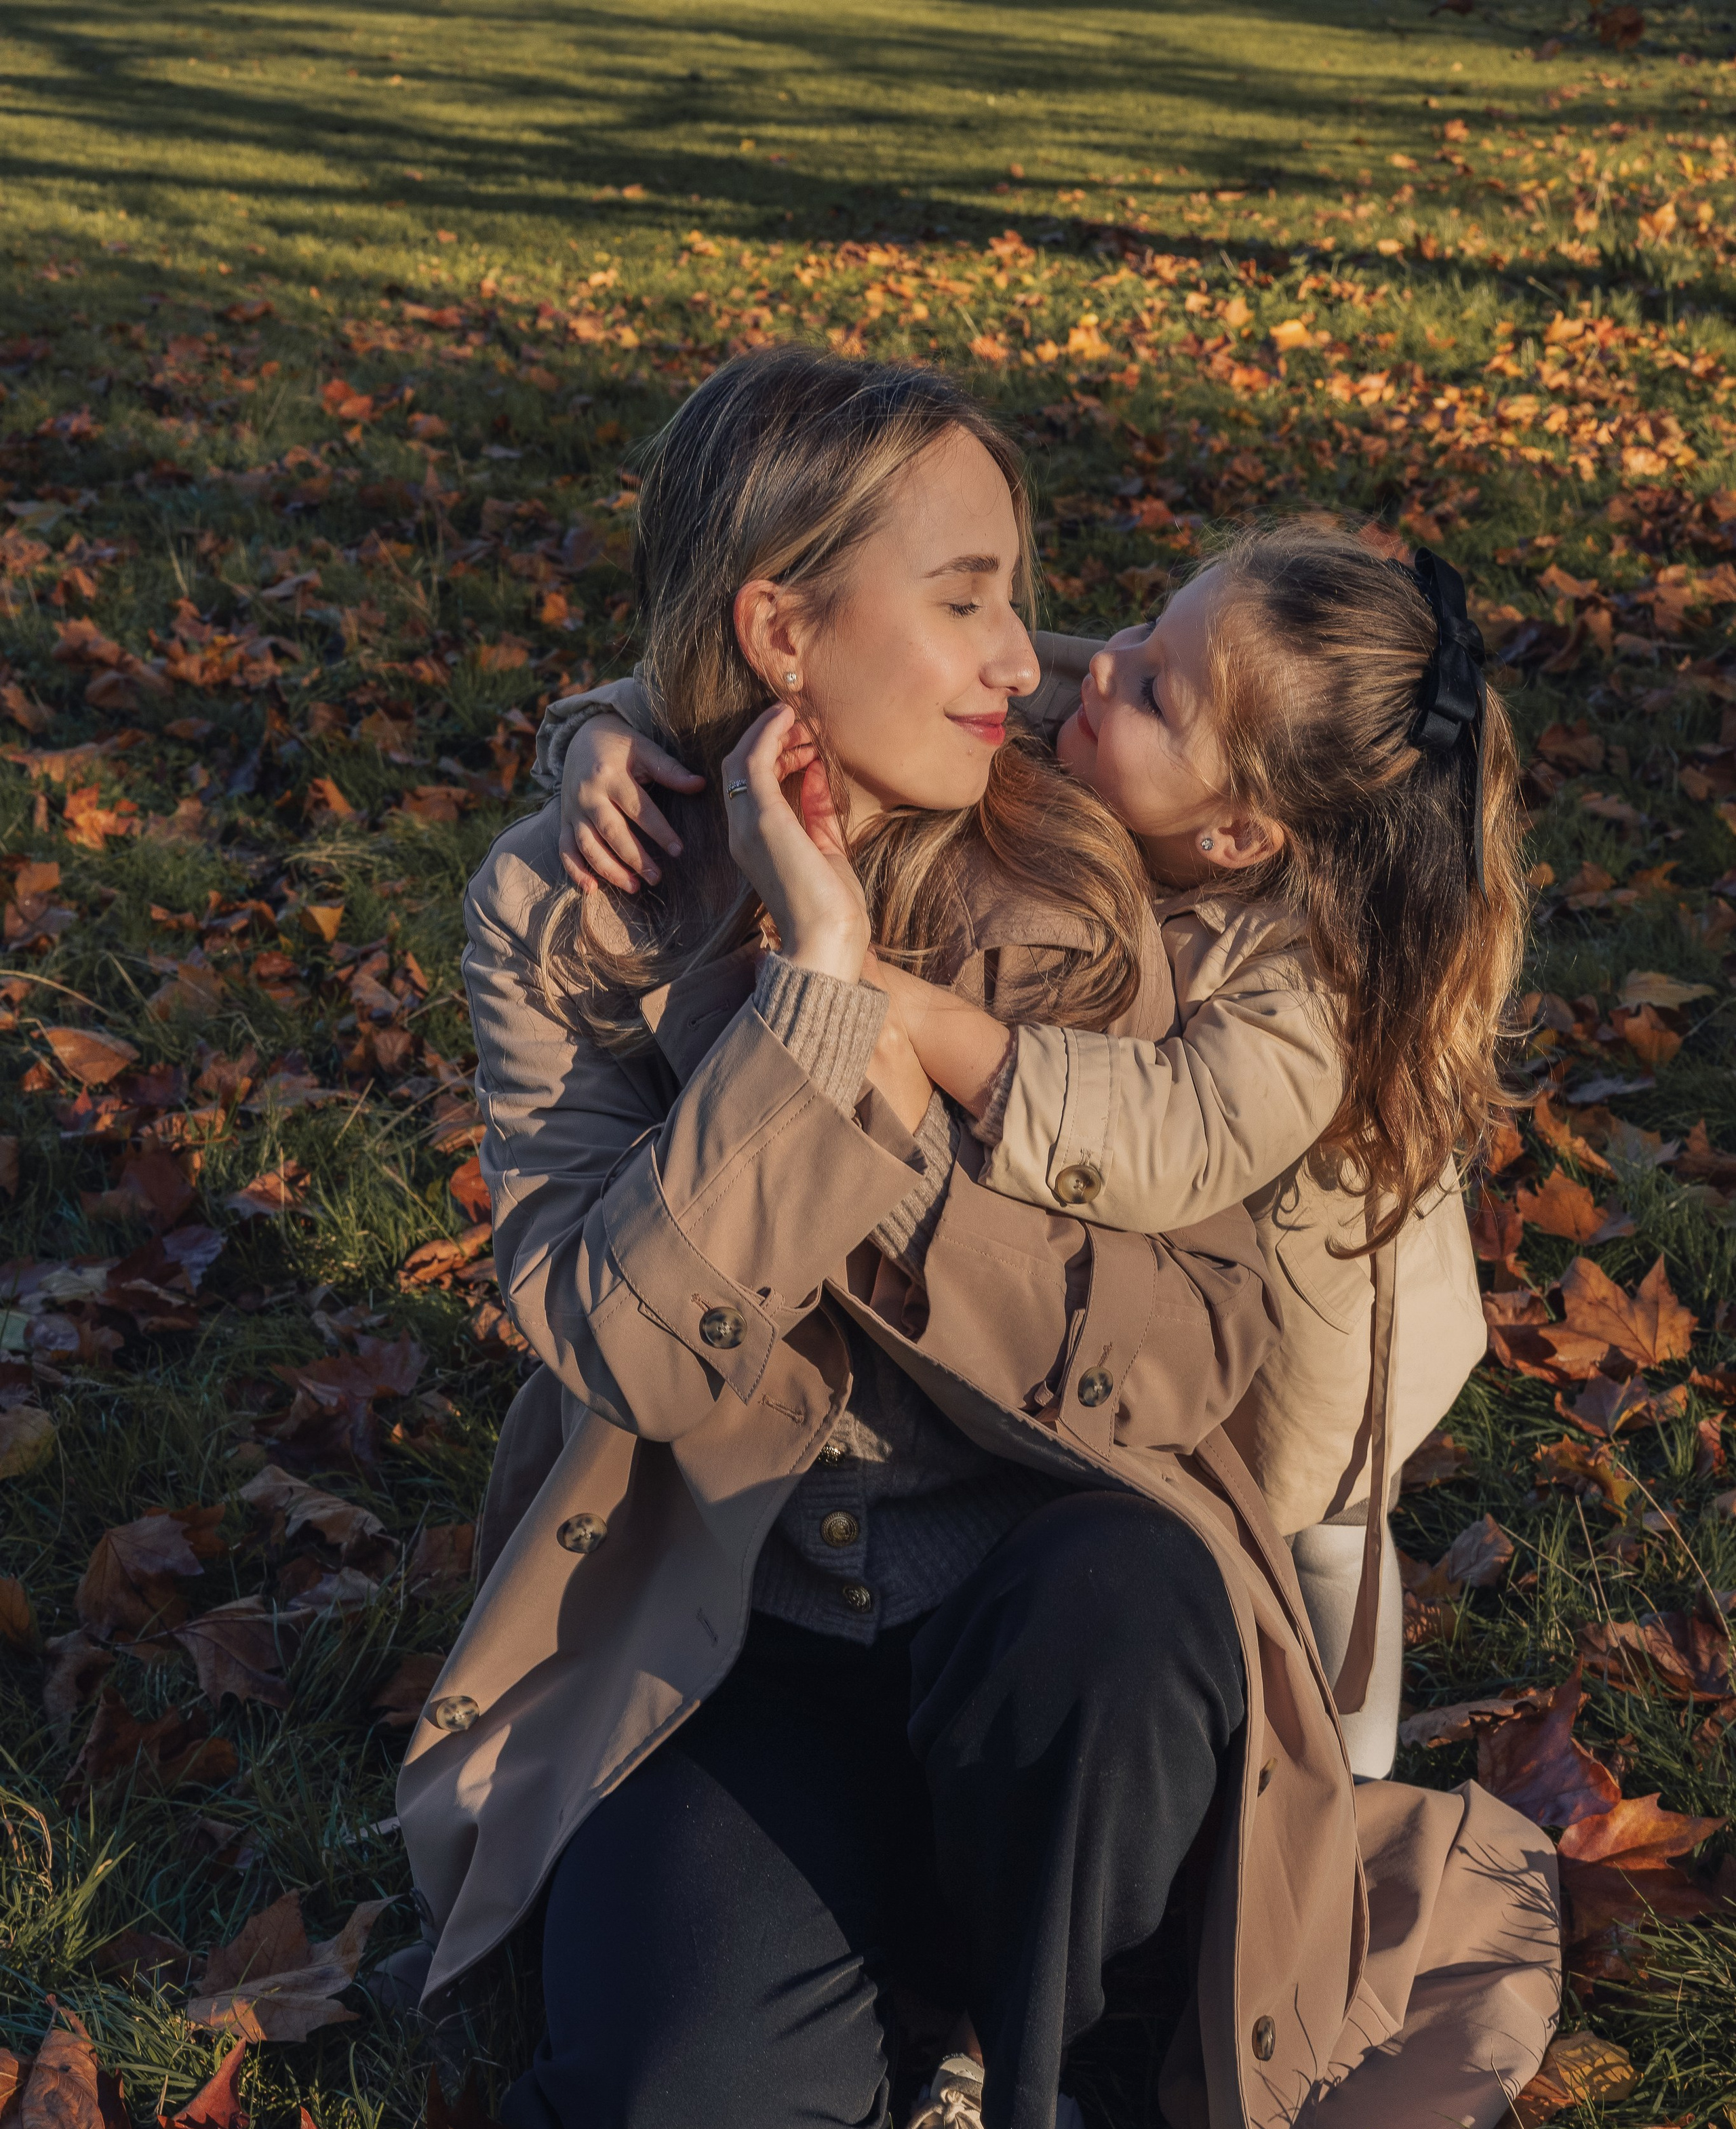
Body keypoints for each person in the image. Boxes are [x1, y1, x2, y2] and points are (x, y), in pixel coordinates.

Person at [397, 347, 1559, 2129]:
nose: (1030, 659)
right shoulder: (562, 912)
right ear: (779, 630)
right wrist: (801, 984)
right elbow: (625, 1345)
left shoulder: (1098, 865)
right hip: (740, 1608)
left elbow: (1185, 1357)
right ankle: (907, 1960)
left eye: (1025, 598)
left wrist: (868, 1079)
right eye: (971, 598)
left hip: (1050, 1603)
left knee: (1130, 1599)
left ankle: (1022, 2087)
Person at [547, 528, 1526, 1782]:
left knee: (1323, 1547)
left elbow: (1174, 1127)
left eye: (1157, 688)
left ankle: (1351, 1784)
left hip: (1315, 1340)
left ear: (1236, 837)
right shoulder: (1120, 706)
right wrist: (600, 735)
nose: (1101, 667)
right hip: (1154, 1288)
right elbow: (879, 671)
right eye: (1143, 632)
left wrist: (915, 1011)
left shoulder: (1313, 988)